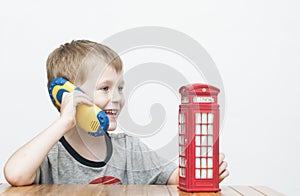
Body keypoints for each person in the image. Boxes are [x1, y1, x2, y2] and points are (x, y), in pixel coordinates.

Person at [4, 40, 229, 186]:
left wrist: (203, 172)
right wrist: (64, 122)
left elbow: (173, 178)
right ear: (66, 95)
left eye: (120, 88)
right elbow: (15, 174)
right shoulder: (49, 154)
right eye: (104, 88)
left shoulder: (130, 149)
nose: (117, 99)